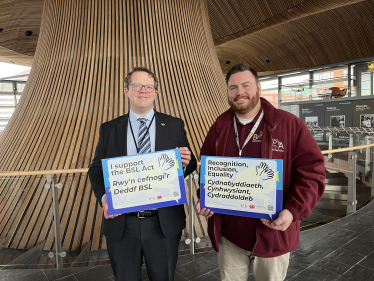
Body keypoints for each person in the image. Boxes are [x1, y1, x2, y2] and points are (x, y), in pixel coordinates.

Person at [196, 63, 325, 281]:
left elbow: (312, 173)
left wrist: (292, 211)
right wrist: (205, 197)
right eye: (233, 88)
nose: (239, 92)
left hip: (272, 234)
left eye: (245, 85)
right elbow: (208, 172)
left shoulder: (289, 125)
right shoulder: (219, 127)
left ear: (258, 87)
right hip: (230, 237)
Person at [89, 67, 197, 281]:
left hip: (163, 223)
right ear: (126, 91)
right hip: (122, 224)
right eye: (137, 85)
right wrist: (104, 198)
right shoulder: (109, 129)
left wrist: (185, 163)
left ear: (156, 92)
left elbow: (190, 163)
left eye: (149, 86)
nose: (143, 90)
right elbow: (96, 168)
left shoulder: (175, 125)